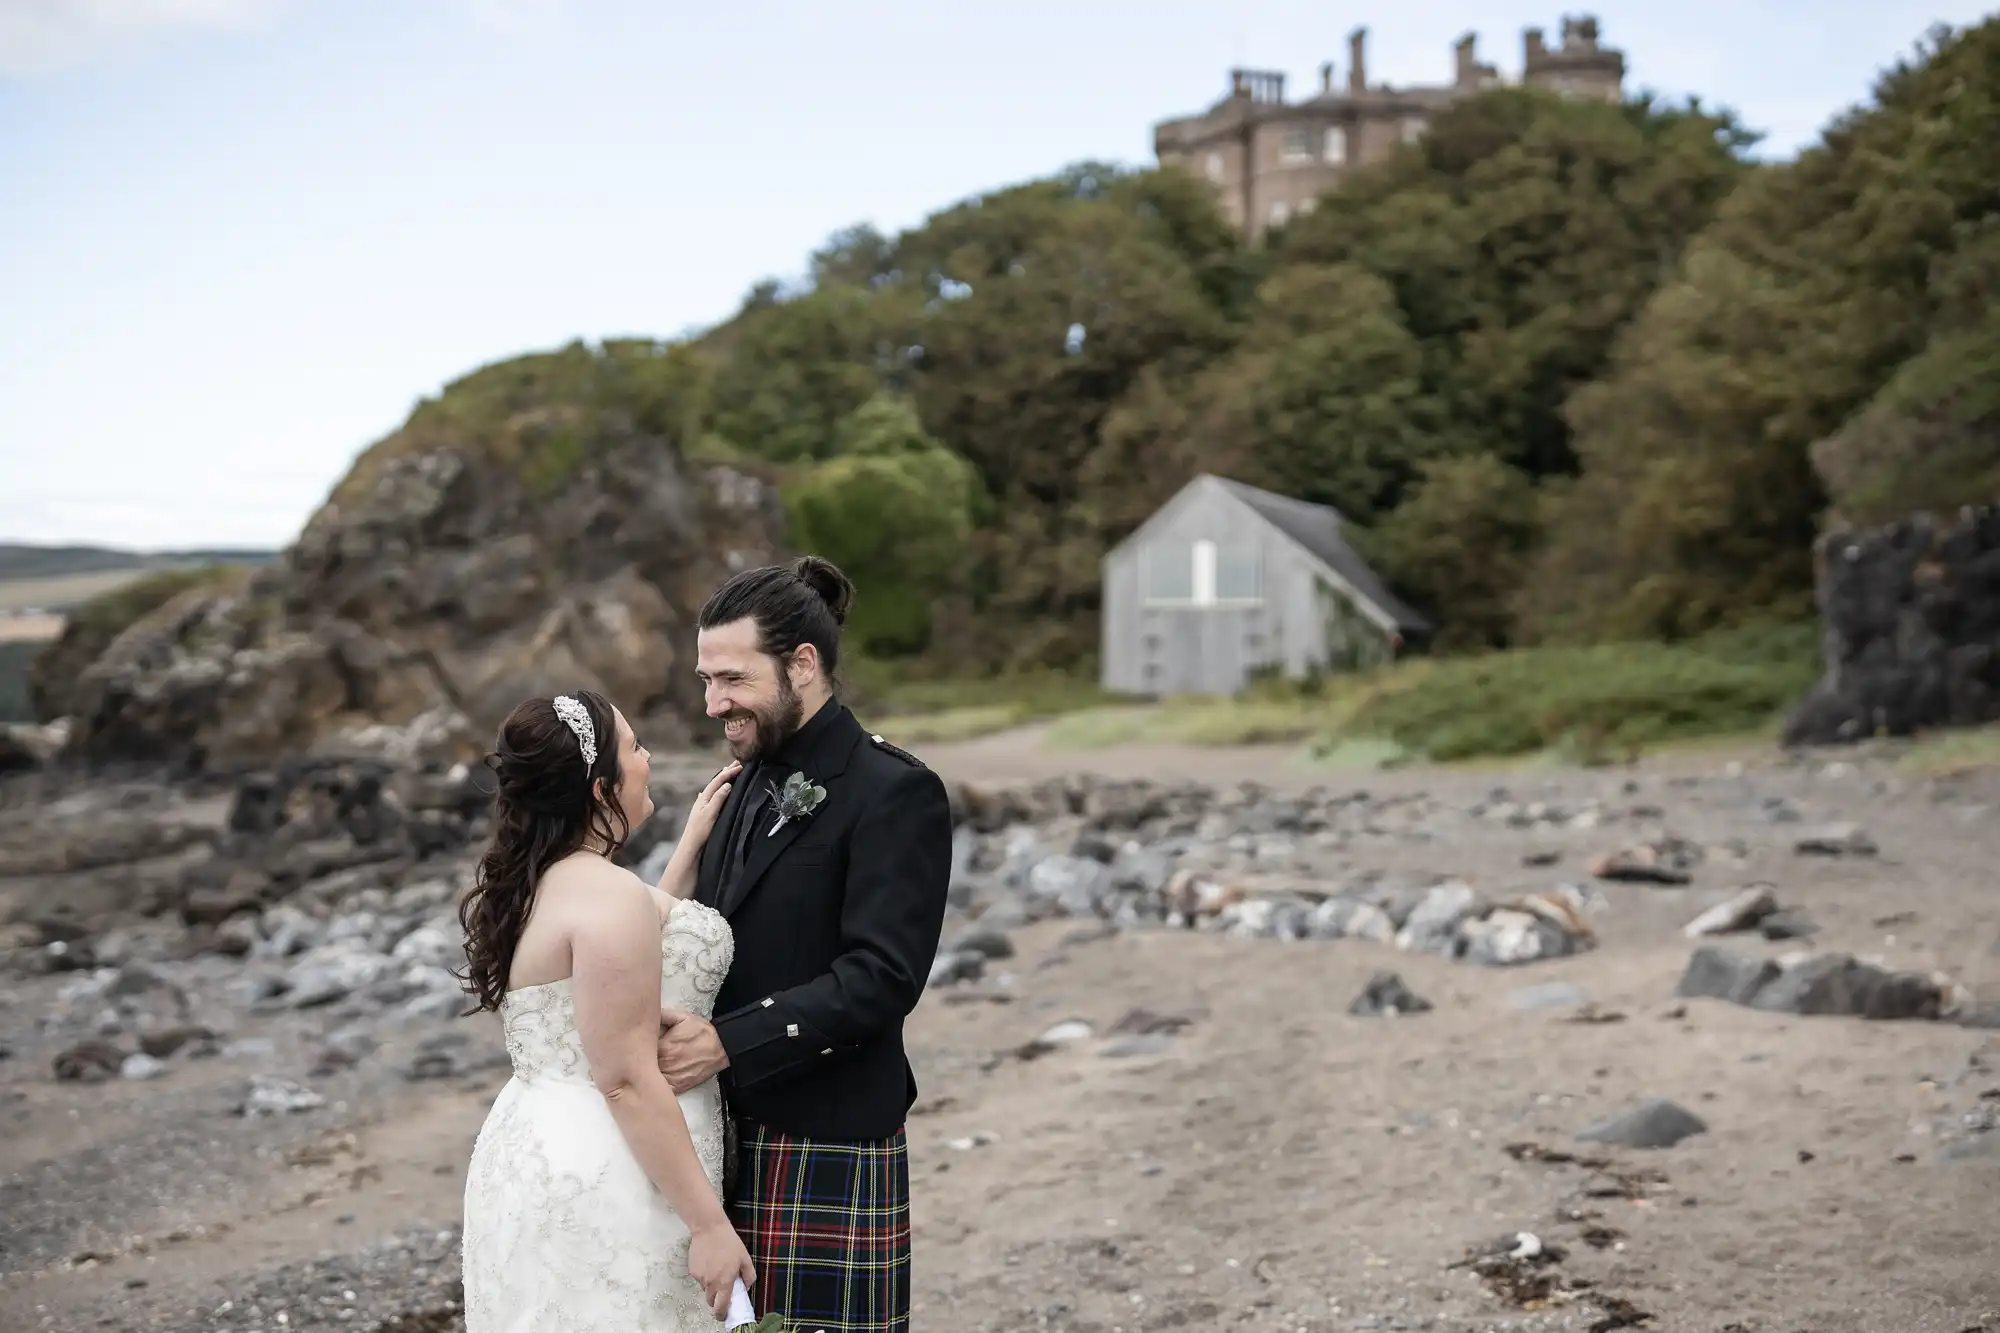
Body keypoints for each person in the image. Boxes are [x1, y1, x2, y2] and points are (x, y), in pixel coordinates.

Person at [656, 556, 952, 1333]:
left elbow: (882, 977)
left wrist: (725, 1043)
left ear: (803, 664)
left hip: (829, 1137)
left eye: (732, 678)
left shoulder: (895, 791)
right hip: (723, 1141)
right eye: (705, 679)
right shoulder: (740, 782)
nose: (715, 702)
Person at [458, 687, 757, 1330]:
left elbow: (639, 941)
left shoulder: (543, 880)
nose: (647, 758)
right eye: (635, 746)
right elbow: (623, 1078)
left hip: (532, 1148)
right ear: (600, 789)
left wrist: (690, 848)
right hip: (611, 1165)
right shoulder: (608, 896)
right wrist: (709, 1225)